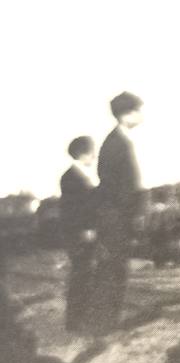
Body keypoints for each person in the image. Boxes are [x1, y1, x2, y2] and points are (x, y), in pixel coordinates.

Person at [87, 92, 143, 336]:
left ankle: (106, 322)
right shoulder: (116, 143)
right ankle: (103, 323)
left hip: (115, 215)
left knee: (113, 269)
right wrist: (128, 211)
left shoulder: (117, 141)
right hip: (115, 217)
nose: (141, 115)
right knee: (112, 269)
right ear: (125, 114)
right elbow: (112, 184)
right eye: (137, 110)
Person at [58, 136, 99, 333]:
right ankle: (76, 322)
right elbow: (73, 210)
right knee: (81, 277)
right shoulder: (72, 178)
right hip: (80, 235)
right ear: (84, 153)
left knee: (84, 277)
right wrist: (86, 229)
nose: (95, 156)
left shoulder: (77, 175)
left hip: (81, 234)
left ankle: (79, 320)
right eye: (93, 152)